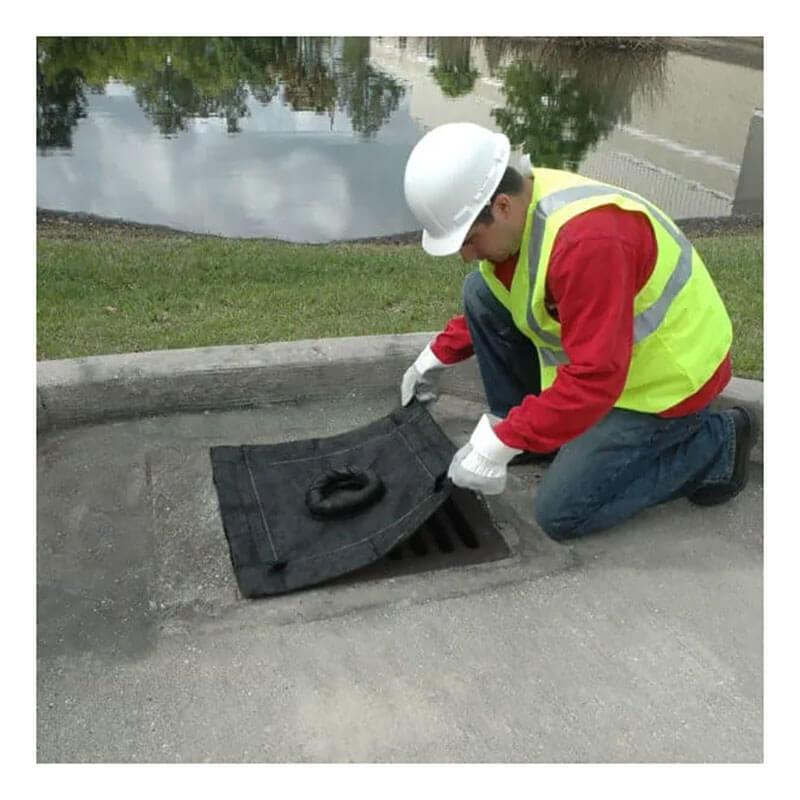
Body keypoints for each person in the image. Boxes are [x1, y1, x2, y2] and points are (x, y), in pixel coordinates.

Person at [400, 122, 758, 541]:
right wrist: (437, 356)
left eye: (469, 240)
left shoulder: (589, 243)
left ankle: (719, 445)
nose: (465, 255)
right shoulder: (526, 210)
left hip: (667, 383)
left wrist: (499, 443)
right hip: (611, 362)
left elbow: (597, 378)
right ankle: (537, 435)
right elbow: (511, 295)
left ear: (500, 206)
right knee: (479, 290)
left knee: (561, 512)